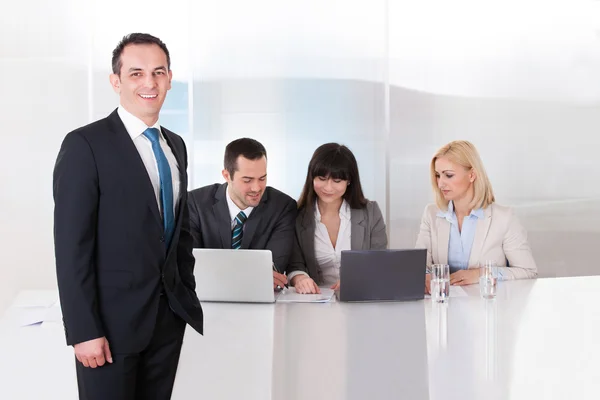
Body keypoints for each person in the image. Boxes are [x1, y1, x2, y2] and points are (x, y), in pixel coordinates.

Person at [53, 33, 203, 400]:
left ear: (170, 78)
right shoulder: (85, 145)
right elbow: (72, 246)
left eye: (158, 72)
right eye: (136, 73)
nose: (149, 83)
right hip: (108, 329)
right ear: (116, 81)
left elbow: (178, 233)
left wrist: (184, 293)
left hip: (167, 320)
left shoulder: (175, 145)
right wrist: (83, 329)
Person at [416, 140, 537, 293]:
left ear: (472, 175)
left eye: (448, 175)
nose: (440, 184)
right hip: (442, 308)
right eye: (438, 176)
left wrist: (482, 274)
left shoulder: (504, 217)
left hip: (485, 309)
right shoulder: (431, 214)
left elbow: (528, 271)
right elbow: (420, 266)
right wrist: (425, 277)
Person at [188, 138, 296, 289]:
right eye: (247, 180)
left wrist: (218, 273)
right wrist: (255, 275)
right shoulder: (196, 203)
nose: (257, 188)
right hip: (207, 301)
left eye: (262, 178)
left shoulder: (282, 207)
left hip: (261, 303)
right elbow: (190, 266)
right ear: (227, 176)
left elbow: (274, 272)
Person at [287, 143, 388, 294]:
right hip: (316, 300)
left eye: (337, 181)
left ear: (349, 181)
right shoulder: (296, 215)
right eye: (321, 178)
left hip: (361, 297)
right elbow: (295, 265)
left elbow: (380, 260)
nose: (328, 188)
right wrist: (300, 278)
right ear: (311, 177)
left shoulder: (370, 211)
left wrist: (357, 278)